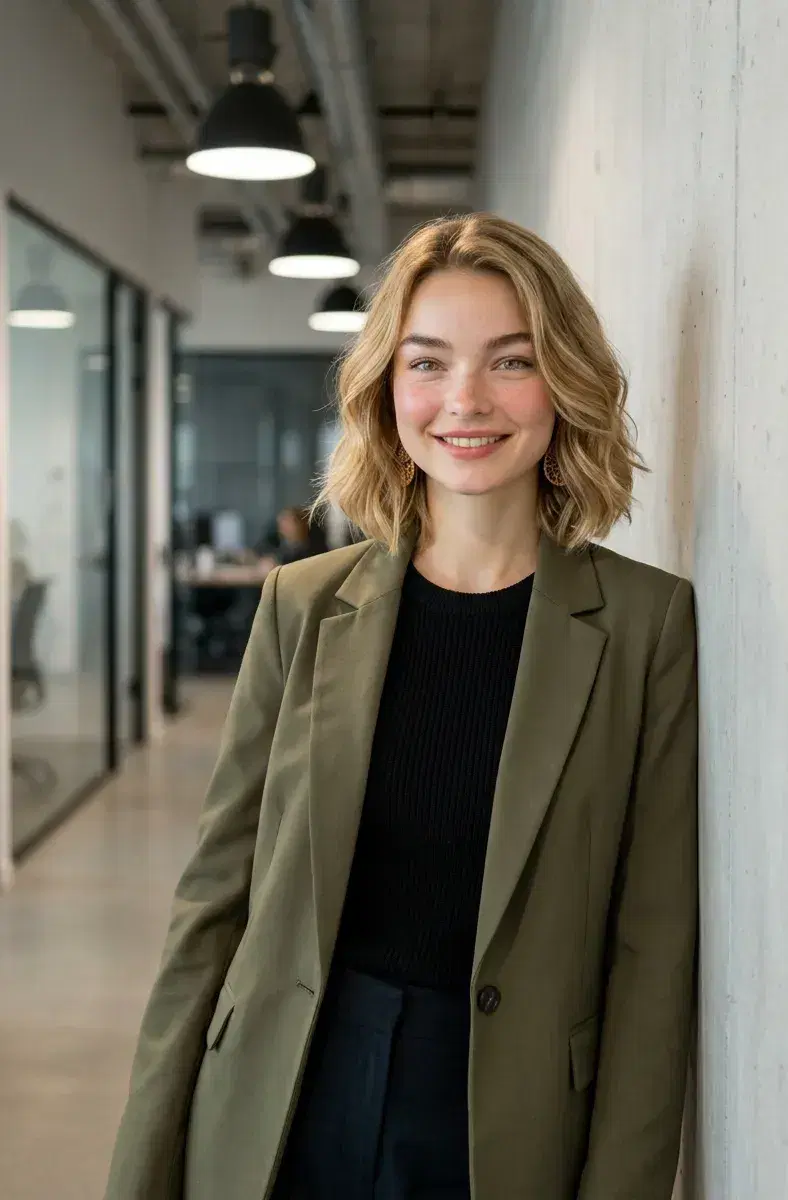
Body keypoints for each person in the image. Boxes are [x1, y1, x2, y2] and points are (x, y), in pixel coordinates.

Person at [105, 214, 698, 1200]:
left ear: (563, 384)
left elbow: (650, 955)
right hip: (281, 1097)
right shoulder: (301, 604)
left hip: (500, 1124)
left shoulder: (641, 626)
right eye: (428, 362)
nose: (462, 399)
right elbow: (210, 909)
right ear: (387, 388)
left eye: (509, 362)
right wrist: (143, 1168)